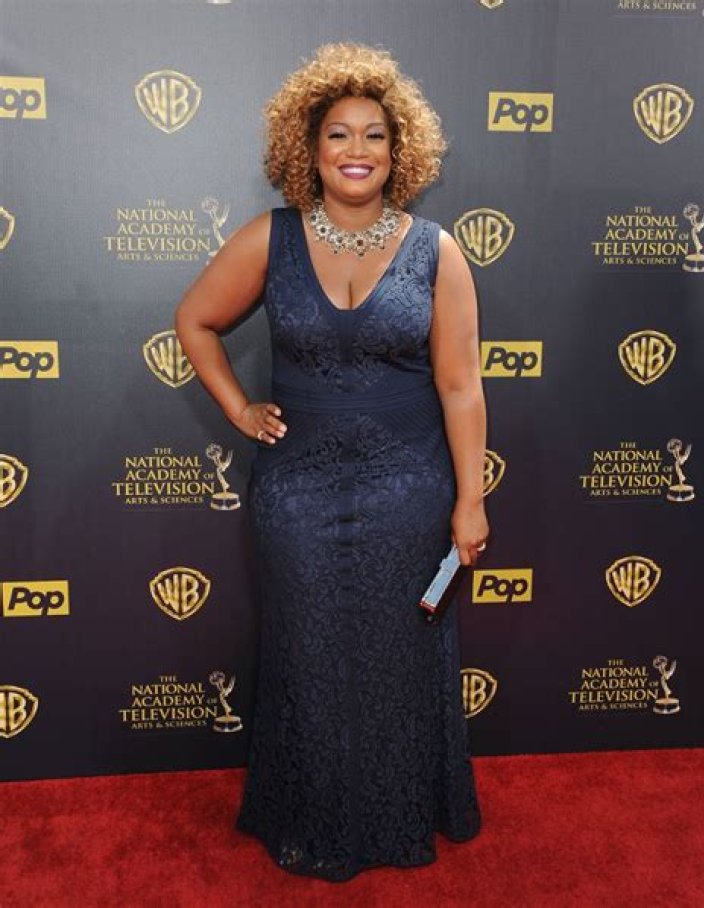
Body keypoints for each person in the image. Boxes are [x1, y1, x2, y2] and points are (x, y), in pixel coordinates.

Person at [175, 42, 489, 882]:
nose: (357, 150)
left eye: (374, 135)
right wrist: (239, 409)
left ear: (399, 150)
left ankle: (398, 813)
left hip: (407, 488)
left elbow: (461, 385)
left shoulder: (436, 250)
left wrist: (469, 499)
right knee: (306, 652)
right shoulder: (269, 239)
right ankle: (308, 816)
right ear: (308, 150)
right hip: (297, 493)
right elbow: (194, 320)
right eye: (339, 135)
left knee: (400, 655)